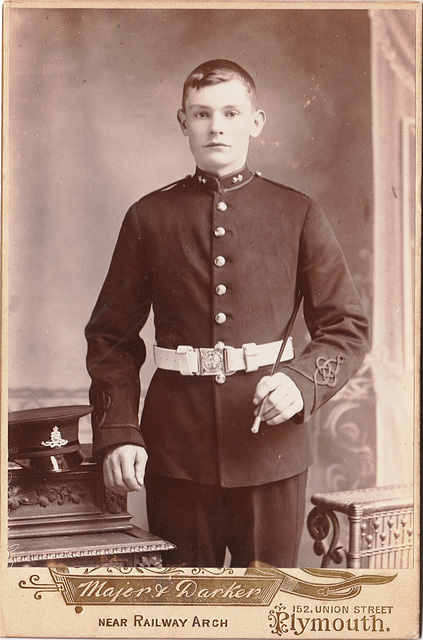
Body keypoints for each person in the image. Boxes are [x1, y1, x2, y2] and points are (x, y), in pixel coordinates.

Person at [85, 59, 369, 567]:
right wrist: (118, 432)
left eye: (231, 113)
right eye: (201, 114)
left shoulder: (297, 212)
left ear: (255, 123)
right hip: (175, 448)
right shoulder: (148, 216)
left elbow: (346, 328)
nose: (216, 126)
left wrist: (301, 383)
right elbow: (111, 336)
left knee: (267, 605)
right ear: (182, 122)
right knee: (187, 608)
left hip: (270, 446)